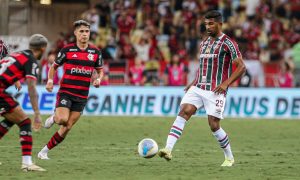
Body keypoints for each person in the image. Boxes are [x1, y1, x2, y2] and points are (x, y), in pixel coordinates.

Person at [158, 10, 246, 167]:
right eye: (206, 24)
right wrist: (194, 81)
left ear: (220, 24)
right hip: (198, 87)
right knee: (184, 111)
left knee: (214, 125)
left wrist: (226, 83)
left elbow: (241, 67)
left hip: (216, 90)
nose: (208, 27)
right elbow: (204, 66)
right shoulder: (204, 42)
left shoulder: (229, 43)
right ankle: (168, 149)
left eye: (211, 24)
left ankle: (229, 157)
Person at [37, 20, 104, 160]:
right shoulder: (67, 50)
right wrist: (50, 81)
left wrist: (98, 79)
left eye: (87, 31)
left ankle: (44, 151)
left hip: (82, 96)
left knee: (67, 127)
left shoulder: (95, 52)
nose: (85, 34)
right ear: (75, 33)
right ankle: (54, 117)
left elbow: (100, 70)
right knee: (62, 120)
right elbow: (53, 67)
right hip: (66, 92)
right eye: (82, 31)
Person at [0, 34, 48, 171]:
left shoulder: (17, 54)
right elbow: (32, 88)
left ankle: (27, 163)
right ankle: (27, 163)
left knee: (12, 119)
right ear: (43, 49)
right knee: (25, 122)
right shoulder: (31, 60)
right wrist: (37, 113)